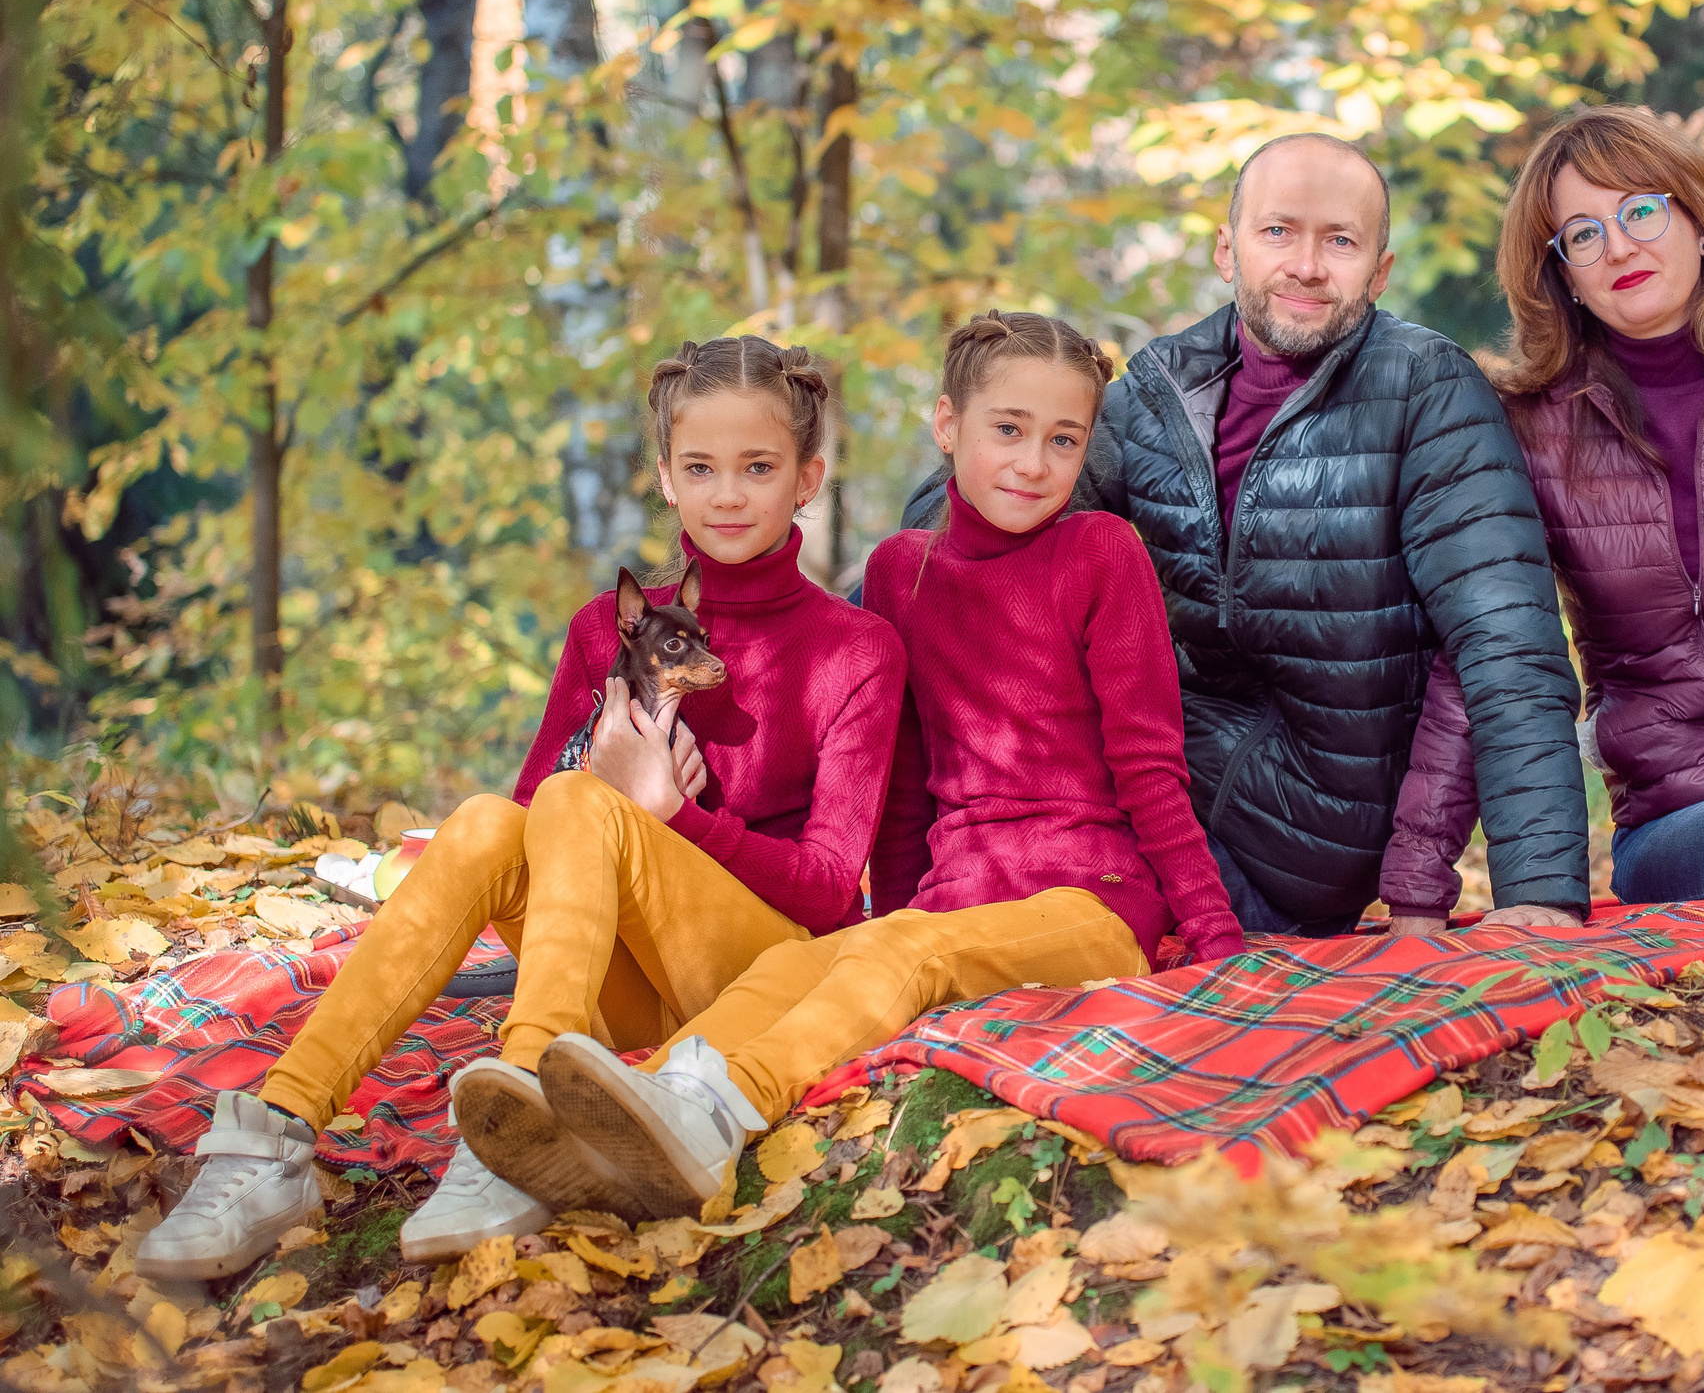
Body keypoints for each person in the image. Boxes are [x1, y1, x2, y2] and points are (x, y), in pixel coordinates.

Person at [136, 339, 907, 1279]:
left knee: (579, 801)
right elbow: (528, 830)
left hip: (751, 973)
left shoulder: (856, 647)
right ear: (665, 477)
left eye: (759, 466)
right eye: (700, 467)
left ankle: (511, 1125)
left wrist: (671, 814)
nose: (728, 493)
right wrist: (610, 795)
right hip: (619, 987)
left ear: (807, 477)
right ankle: (276, 1134)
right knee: (483, 822)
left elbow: (832, 894)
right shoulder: (603, 628)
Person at [457, 313, 1247, 1220]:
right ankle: (639, 1106)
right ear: (947, 426)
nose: (1032, 462)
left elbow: (1151, 769)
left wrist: (1216, 949)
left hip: (1092, 903)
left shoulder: (1101, 551)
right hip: (954, 905)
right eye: (1008, 429)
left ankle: (720, 1107)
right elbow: (909, 788)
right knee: (811, 962)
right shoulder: (902, 570)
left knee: (904, 944)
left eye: (1062, 439)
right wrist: (899, 906)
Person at [898, 135, 1591, 937]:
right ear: (1226, 250)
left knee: (1019, 912)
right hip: (1141, 787)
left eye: (1339, 240)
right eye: (1277, 232)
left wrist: (1538, 891)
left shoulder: (1424, 389)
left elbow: (1507, 641)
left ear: (1380, 269)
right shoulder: (1162, 388)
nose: (1306, 264)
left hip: (1298, 835)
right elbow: (970, 519)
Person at [1384, 105, 1704, 917]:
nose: (1620, 245)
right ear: (1563, 273)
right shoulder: (1528, 430)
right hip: (1674, 823)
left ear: (1699, 222)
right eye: (1584, 234)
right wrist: (1417, 890)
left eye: (1641, 210)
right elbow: (1483, 650)